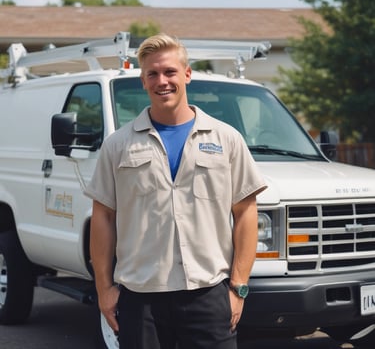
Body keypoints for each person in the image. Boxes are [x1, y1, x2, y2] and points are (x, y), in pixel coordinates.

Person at [85, 33, 267, 349]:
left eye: (169, 72)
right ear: (142, 80)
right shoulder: (118, 146)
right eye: (152, 74)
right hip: (141, 299)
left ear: (186, 74)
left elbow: (246, 212)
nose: (162, 81)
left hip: (208, 295)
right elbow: (103, 217)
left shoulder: (227, 140)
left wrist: (239, 287)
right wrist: (104, 289)